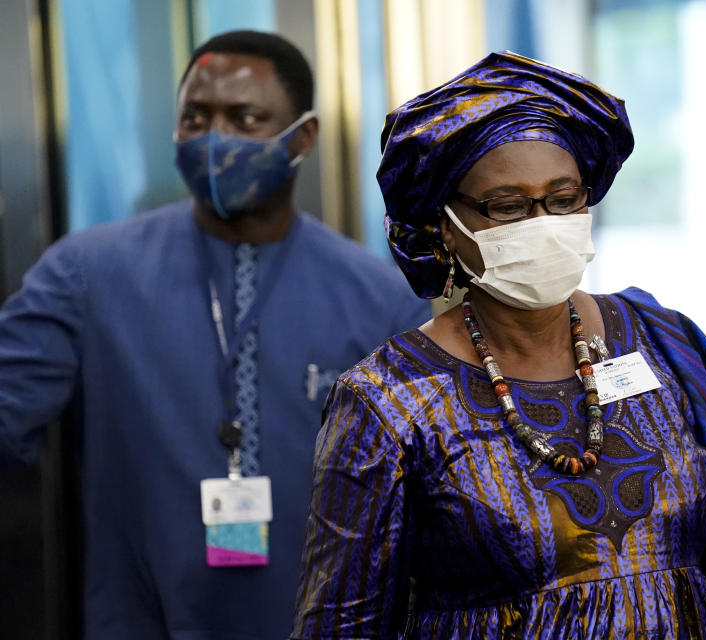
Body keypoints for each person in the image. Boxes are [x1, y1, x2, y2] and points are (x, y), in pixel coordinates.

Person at [290, 51, 706, 639]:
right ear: (444, 225)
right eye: (508, 207)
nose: (542, 223)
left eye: (563, 200)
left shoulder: (661, 341)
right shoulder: (388, 401)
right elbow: (339, 624)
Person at [0, 30, 430, 639]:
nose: (214, 139)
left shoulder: (380, 300)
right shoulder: (87, 274)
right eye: (195, 118)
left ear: (302, 138)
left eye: (245, 118)